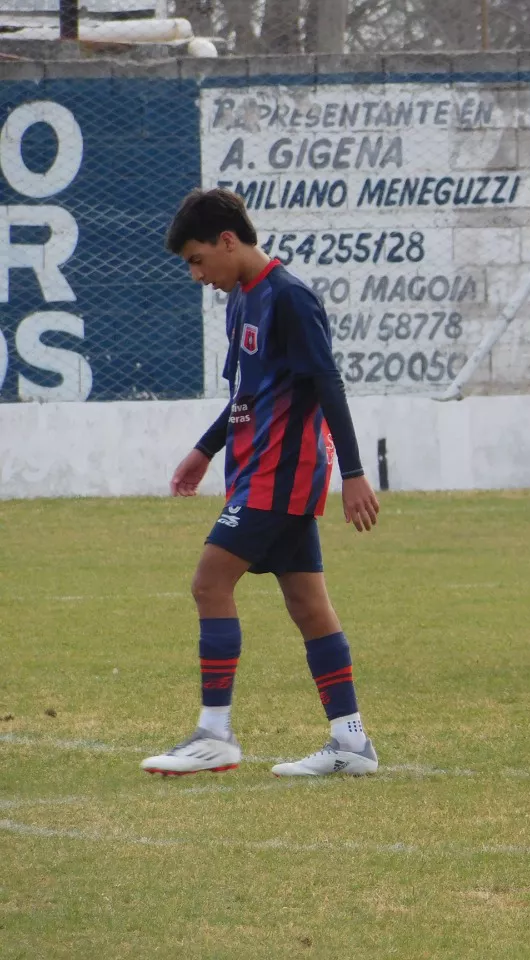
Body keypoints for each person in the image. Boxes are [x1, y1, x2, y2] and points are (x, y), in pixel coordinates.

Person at [141, 188, 383, 777]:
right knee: (307, 604)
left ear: (228, 241)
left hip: (281, 474)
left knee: (209, 583)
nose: (197, 274)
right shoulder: (239, 299)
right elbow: (245, 395)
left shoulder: (290, 298)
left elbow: (328, 384)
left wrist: (352, 473)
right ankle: (351, 744)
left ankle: (215, 734)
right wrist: (204, 450)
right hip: (255, 470)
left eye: (198, 260)